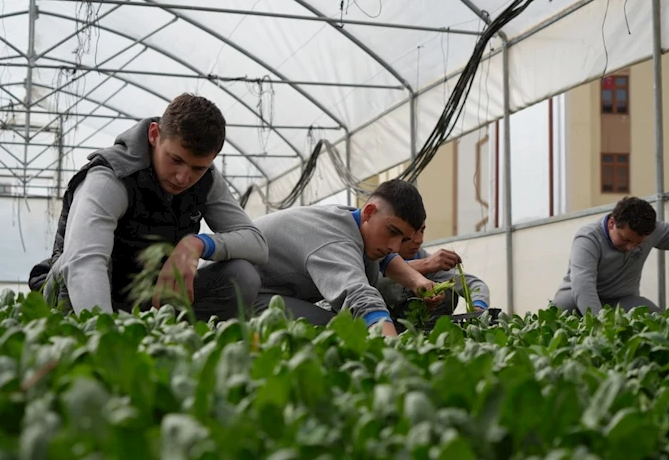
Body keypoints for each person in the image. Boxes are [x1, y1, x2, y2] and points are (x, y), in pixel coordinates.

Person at [29, 93, 268, 320]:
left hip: (149, 295)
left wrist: (198, 244)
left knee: (241, 275)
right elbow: (84, 263)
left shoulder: (207, 180)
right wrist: (105, 337)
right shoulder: (112, 177)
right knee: (79, 263)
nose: (183, 178)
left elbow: (256, 243)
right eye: (175, 160)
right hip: (80, 289)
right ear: (155, 135)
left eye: (198, 168)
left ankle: (178, 349)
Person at [252, 179, 443, 337]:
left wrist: (417, 281)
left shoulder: (355, 219)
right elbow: (358, 295)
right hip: (243, 295)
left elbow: (387, 258)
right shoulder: (333, 238)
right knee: (335, 333)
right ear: (369, 212)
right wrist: (393, 350)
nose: (394, 246)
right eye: (392, 231)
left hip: (269, 290)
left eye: (403, 239)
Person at [552, 178, 669, 315]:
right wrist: (600, 327)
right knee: (564, 314)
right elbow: (583, 285)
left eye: (638, 243)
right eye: (625, 240)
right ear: (612, 223)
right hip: (577, 300)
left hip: (621, 300)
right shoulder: (588, 239)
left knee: (653, 316)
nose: (631, 247)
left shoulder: (650, 231)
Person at [376, 222, 490, 327]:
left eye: (422, 231)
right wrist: (424, 265)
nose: (419, 240)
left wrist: (478, 308)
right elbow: (372, 282)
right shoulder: (374, 255)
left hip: (410, 324)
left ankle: (428, 330)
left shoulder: (425, 259)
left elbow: (474, 285)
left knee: (447, 292)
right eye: (413, 232)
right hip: (376, 320)